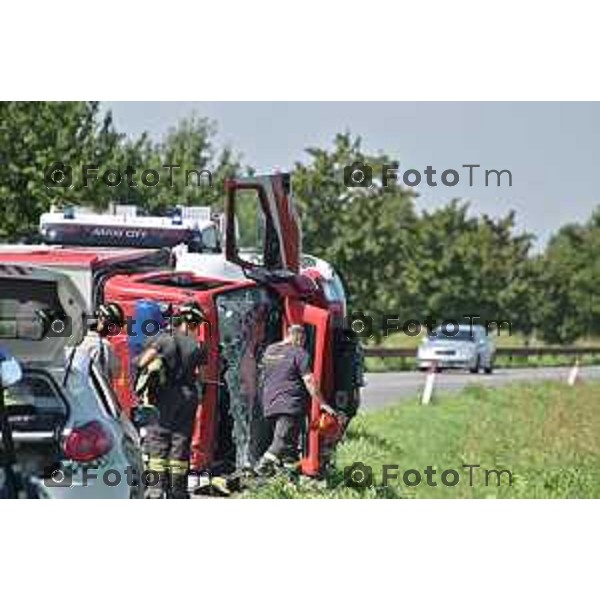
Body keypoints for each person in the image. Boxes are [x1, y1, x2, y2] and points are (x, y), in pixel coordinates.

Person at [136, 302, 207, 499]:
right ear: (195, 323)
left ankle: (156, 489)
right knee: (181, 442)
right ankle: (178, 490)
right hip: (188, 397)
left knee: (158, 438)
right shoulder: (198, 346)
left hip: (164, 396)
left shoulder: (163, 339)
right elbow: (202, 376)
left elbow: (143, 362)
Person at [257, 324, 335, 474]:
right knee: (281, 442)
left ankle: (291, 477)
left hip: (269, 403)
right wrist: (323, 403)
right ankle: (261, 467)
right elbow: (309, 381)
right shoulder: (299, 353)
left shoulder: (270, 351)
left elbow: (262, 376)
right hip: (290, 404)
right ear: (300, 337)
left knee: (289, 447)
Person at [74, 302, 124, 383]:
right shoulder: (104, 346)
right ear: (103, 321)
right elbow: (116, 372)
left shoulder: (76, 340)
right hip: (91, 392)